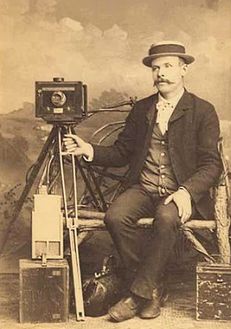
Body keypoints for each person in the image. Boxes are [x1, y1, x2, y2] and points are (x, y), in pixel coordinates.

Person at [63, 41, 222, 322]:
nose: (161, 72)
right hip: (144, 187)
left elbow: (211, 163)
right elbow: (122, 152)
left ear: (184, 69)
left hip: (178, 192)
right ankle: (150, 288)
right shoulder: (143, 110)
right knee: (115, 217)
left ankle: (137, 295)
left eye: (168, 65)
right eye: (156, 67)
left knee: (166, 217)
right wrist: (88, 149)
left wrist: (187, 191)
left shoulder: (203, 111)